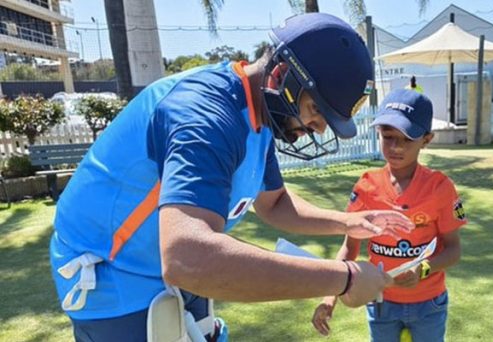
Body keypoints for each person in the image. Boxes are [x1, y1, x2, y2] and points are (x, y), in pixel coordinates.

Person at [49, 13, 414, 342]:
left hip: (157, 267)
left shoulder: (257, 112)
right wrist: (344, 278)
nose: (317, 128)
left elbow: (274, 203)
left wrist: (349, 221)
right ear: (280, 75)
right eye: (316, 109)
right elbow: (186, 258)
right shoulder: (204, 117)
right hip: (112, 276)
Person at [311, 89, 467, 342]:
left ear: (426, 139)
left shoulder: (440, 187)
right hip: (381, 302)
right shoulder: (366, 186)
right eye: (388, 136)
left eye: (406, 139)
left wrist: (423, 269)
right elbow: (349, 249)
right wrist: (329, 299)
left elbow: (453, 250)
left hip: (429, 304)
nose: (395, 147)